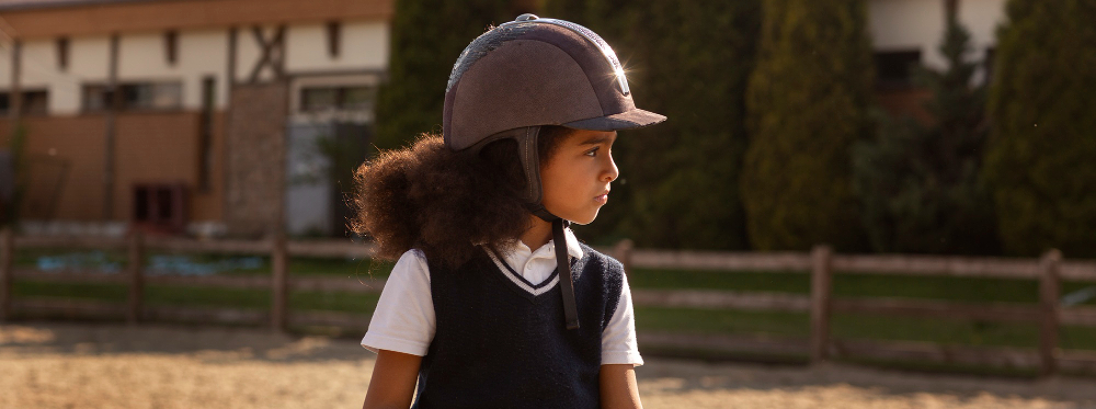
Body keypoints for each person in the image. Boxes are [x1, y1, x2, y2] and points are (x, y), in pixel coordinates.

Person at [354, 13, 666, 409]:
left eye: (610, 149)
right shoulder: (426, 274)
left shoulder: (605, 283)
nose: (612, 171)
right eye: (592, 150)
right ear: (517, 160)